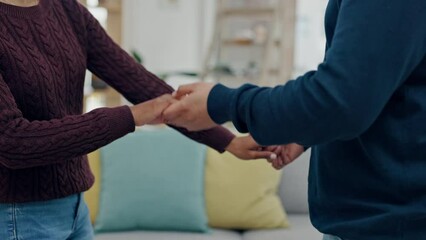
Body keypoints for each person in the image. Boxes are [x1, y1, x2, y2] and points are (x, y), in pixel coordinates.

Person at [0, 0, 276, 239]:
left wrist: (228, 142)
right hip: (17, 215)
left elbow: (140, 83)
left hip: (74, 208)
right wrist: (131, 117)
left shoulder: (66, 9)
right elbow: (12, 141)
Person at [162, 0, 426, 239]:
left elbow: (340, 100)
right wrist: (306, 131)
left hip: (393, 225)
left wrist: (224, 103)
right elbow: (372, 91)